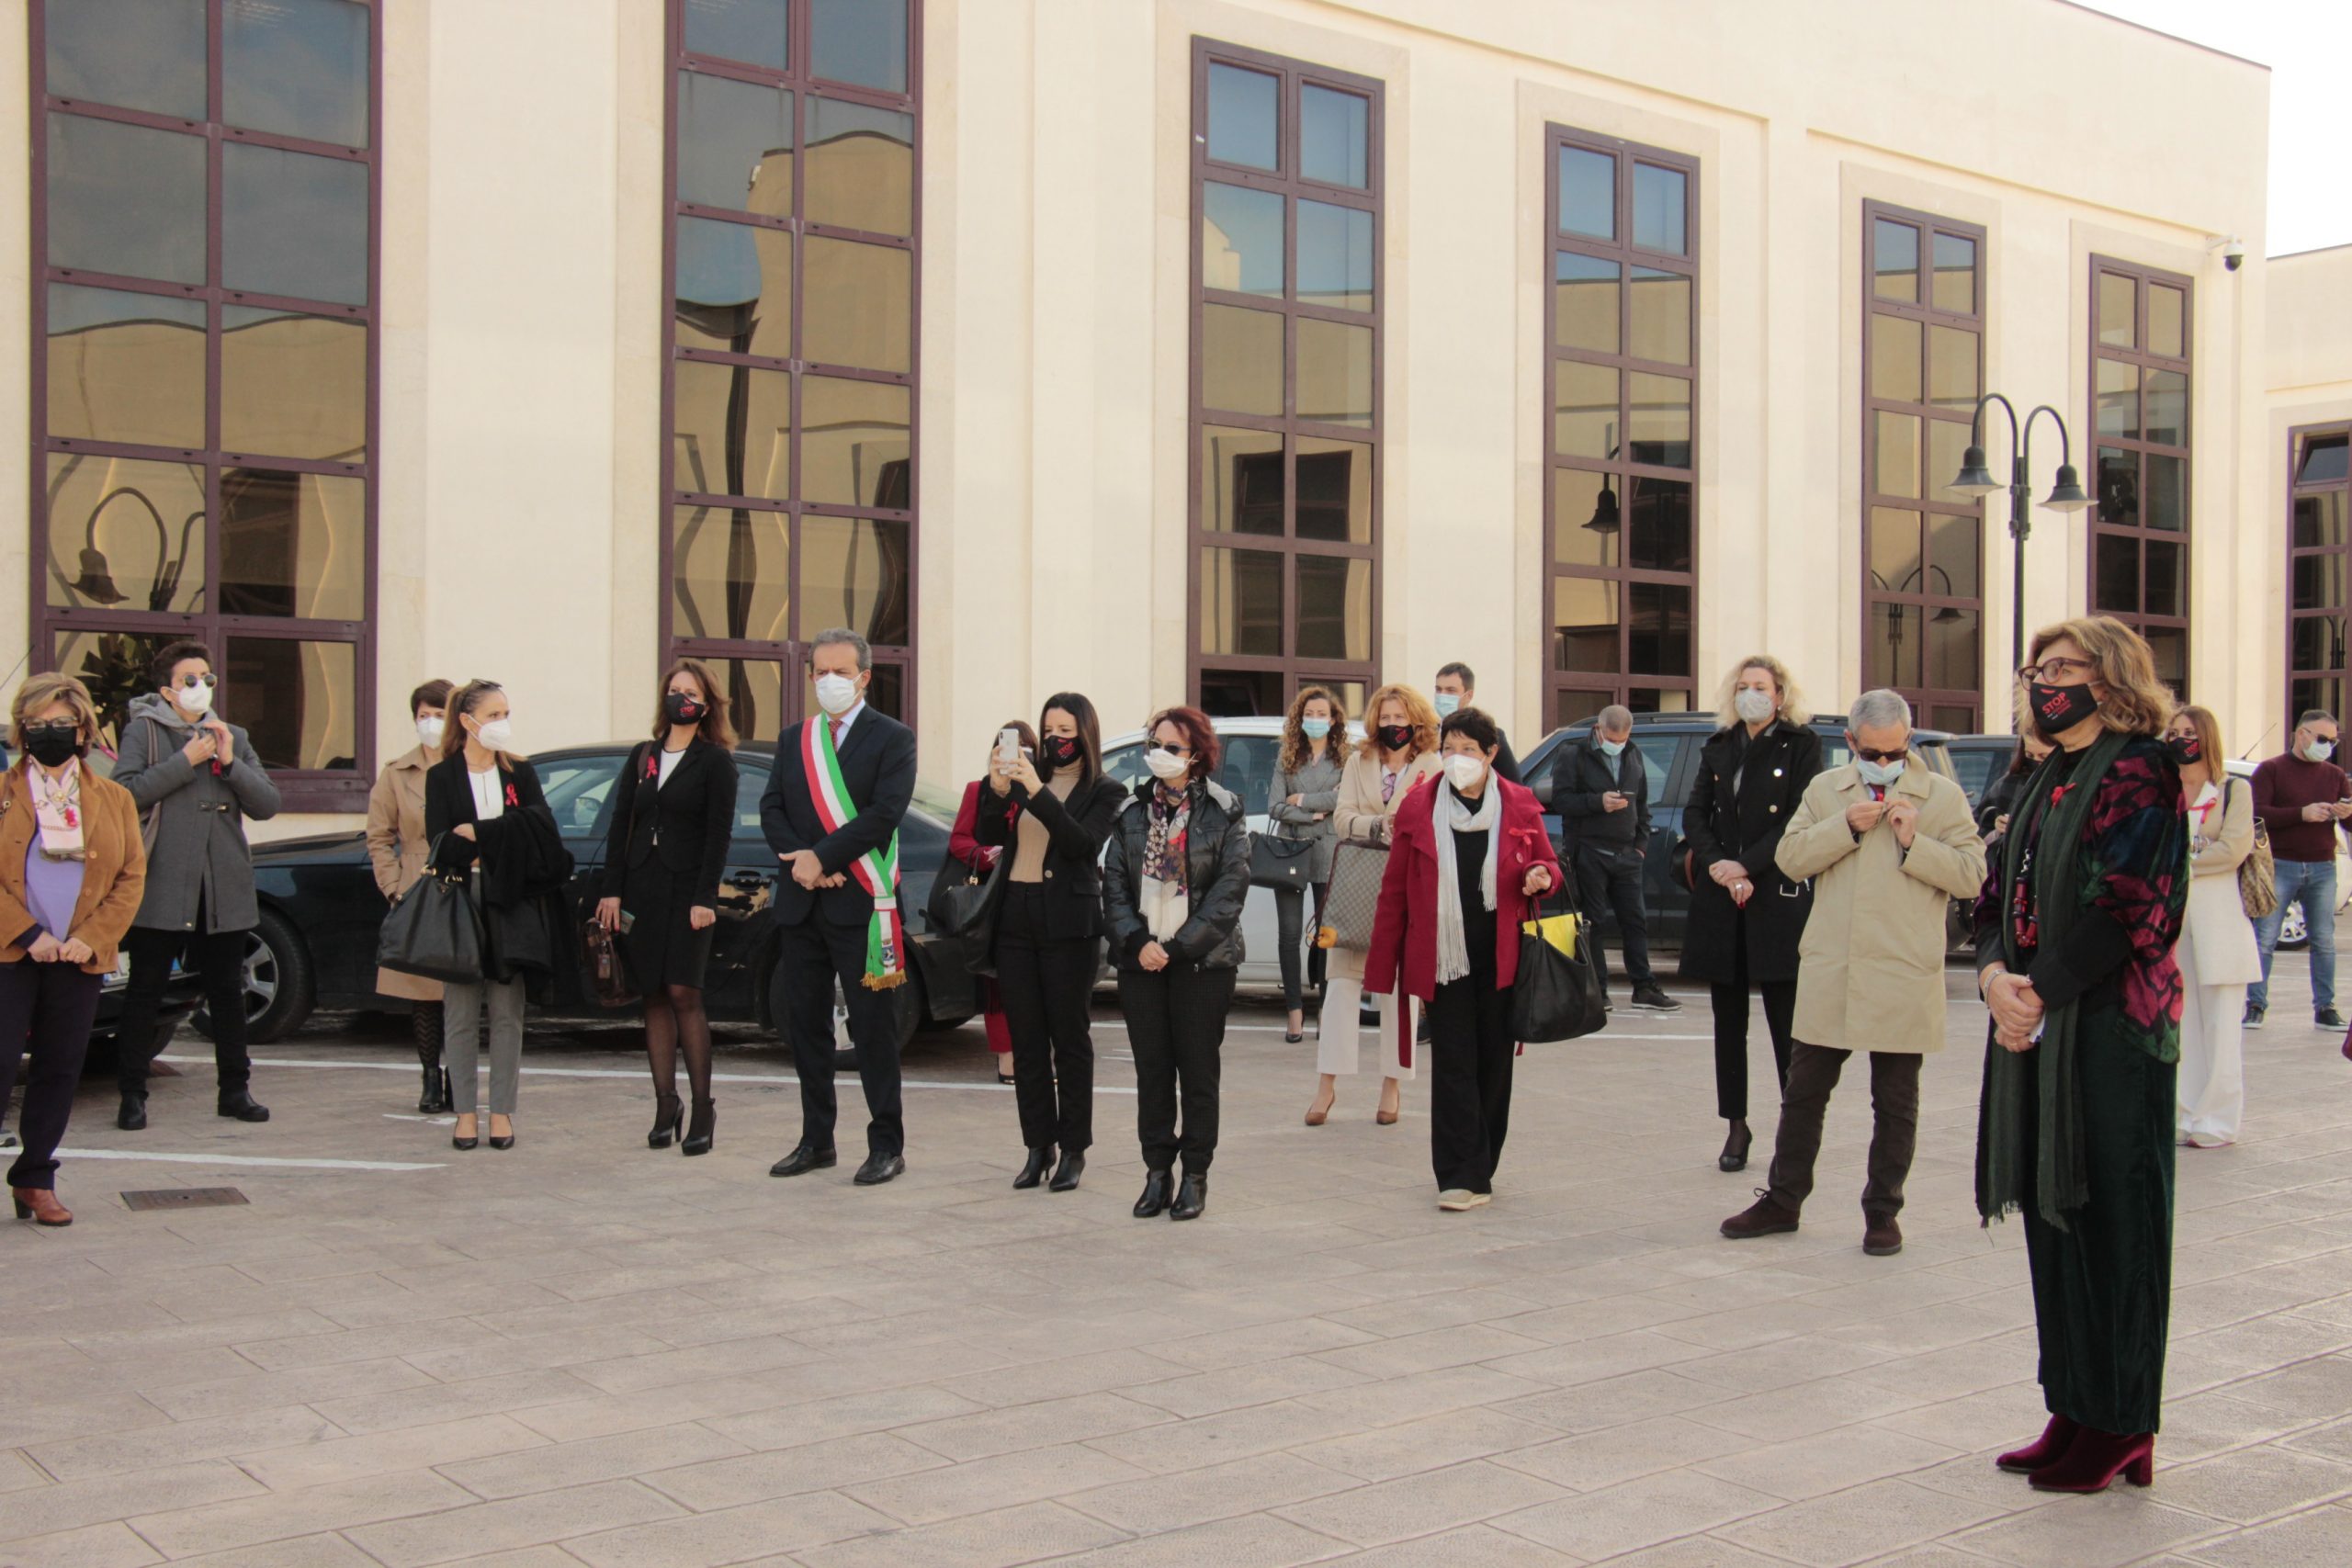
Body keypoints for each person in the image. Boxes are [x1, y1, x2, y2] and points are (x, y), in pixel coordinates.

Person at [1976, 616, 2188, 1495]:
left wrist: (2035, 992)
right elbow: (1995, 891)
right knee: (2053, 1221)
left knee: (2117, 1227)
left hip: (2112, 1030)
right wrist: (1994, 977)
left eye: (2062, 668)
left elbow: (2134, 906)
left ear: (2109, 679)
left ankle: (2122, 1420)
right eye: (2038, 668)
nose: (2043, 682)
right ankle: (2073, 1403)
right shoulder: (2042, 772)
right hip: (2036, 1023)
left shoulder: (2139, 770)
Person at [1719, 691, 1985, 1255]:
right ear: (1852, 745)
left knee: (1895, 1100)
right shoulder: (1825, 791)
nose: (1884, 763)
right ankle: (1784, 1199)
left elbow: (1972, 875)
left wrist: (1915, 840)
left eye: (1894, 752)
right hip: (1834, 965)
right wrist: (1845, 827)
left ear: (1908, 742)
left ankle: (1883, 1212)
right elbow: (1789, 858)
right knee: (1804, 1091)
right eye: (1873, 752)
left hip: (1902, 968)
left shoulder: (1940, 795)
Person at [1363, 707, 1560, 1211]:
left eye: (1468, 750)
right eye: (1449, 749)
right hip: (1443, 960)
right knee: (1452, 1063)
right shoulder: (1417, 809)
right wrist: (1381, 969)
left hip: (1502, 959)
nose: (1457, 759)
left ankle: (1483, 1164)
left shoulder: (1519, 805)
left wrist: (1540, 875)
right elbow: (1394, 894)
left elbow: (1549, 868)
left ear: (1491, 754)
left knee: (1494, 1064)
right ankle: (1457, 1174)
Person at [762, 629, 918, 1187]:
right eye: (819, 671)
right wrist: (803, 860)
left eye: (840, 672)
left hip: (860, 904)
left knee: (874, 1030)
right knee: (806, 1027)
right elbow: (772, 806)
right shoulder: (793, 739)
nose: (828, 681)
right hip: (802, 906)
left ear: (864, 677)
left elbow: (884, 813)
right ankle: (816, 1139)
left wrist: (824, 857)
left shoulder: (893, 739)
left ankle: (886, 1145)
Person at [111, 640, 282, 1131]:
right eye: (189, 680)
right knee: (146, 990)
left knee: (227, 992)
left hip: (223, 882)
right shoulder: (143, 731)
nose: (201, 687)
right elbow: (124, 795)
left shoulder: (234, 734)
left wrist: (229, 761)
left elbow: (268, 803)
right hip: (164, 880)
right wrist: (184, 760)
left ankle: (235, 1090)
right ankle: (132, 1094)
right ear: (167, 690)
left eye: (207, 678)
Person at [0, 675, 146, 1226]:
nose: (48, 734)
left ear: (83, 729)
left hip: (80, 955)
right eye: (36, 725)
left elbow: (131, 876)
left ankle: (35, 1178)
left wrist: (90, 938)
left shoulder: (114, 798)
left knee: (60, 1068)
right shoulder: (3, 791)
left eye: (60, 724)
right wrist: (29, 934)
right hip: (12, 952)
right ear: (22, 730)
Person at [1102, 705, 1250, 1221]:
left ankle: (1195, 1175)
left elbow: (1230, 891)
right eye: (1155, 744)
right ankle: (1157, 1172)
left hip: (1201, 963)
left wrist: (1179, 946)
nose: (1160, 755)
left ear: (1197, 756)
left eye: (1173, 748)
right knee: (1153, 1073)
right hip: (1141, 961)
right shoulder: (1131, 812)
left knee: (1198, 1072)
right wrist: (1138, 940)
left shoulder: (1224, 810)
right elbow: (1114, 886)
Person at [1680, 656, 1821, 1173]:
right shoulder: (1719, 746)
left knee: (1788, 1024)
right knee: (1728, 1022)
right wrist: (1720, 866)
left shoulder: (1802, 744)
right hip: (1724, 899)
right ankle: (1736, 1124)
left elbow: (1799, 817)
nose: (1751, 695)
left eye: (1760, 687)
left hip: (1774, 897)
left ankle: (1794, 1126)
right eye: (1743, 687)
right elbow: (1696, 813)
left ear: (1781, 694)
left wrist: (1748, 865)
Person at [978, 693, 1123, 1192]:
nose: (1057, 740)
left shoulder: (1105, 789)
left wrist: (1037, 790)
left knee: (1070, 1040)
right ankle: (1037, 1146)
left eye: (1066, 731)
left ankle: (1074, 1148)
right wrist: (997, 791)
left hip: (1068, 923)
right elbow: (985, 832)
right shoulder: (1023, 777)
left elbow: (1081, 844)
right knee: (1027, 1040)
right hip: (1014, 915)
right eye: (1050, 730)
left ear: (1085, 733)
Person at [596, 660, 741, 1157]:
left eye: (691, 692)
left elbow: (720, 834)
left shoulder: (715, 760)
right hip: (641, 886)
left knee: (684, 992)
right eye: (674, 690)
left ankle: (703, 1108)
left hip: (688, 891)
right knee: (653, 994)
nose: (681, 698)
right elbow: (620, 824)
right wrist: (611, 890)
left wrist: (706, 897)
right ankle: (665, 1104)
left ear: (706, 704)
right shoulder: (644, 756)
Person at [425, 681, 573, 1152]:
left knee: (508, 1011)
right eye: (493, 714)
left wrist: (482, 833)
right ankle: (465, 1113)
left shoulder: (520, 773)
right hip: (463, 897)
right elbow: (442, 843)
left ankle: (503, 1112)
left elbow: (544, 832)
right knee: (461, 1010)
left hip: (511, 900)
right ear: (467, 721)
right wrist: (502, 837)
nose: (502, 723)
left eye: (506, 713)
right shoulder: (443, 776)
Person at [1312, 683, 1444, 1127]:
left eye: (1400, 718)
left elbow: (1436, 820)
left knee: (1400, 993)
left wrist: (1403, 825)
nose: (1392, 725)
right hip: (1357, 882)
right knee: (1341, 989)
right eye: (1385, 718)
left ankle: (1392, 1086)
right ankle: (1326, 1086)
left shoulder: (1432, 763)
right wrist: (1378, 824)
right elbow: (1342, 816)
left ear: (1416, 721)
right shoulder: (1358, 759)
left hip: (1407, 887)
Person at [2165, 704, 2259, 1148]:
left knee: (2222, 1025)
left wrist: (2182, 859)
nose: (2180, 738)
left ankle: (2218, 1120)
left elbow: (2234, 847)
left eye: (2188, 731)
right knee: (2182, 1021)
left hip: (2219, 920)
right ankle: (2185, 1113)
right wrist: (2195, 850)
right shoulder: (2163, 789)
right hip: (2173, 919)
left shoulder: (2233, 790)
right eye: (2174, 731)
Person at [1552, 705, 1677, 1012]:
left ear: (1629, 734)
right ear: (1599, 728)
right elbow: (1561, 800)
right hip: (1590, 851)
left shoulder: (1633, 755)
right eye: (1611, 738)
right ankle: (1599, 989)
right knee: (1594, 921)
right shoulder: (1574, 754)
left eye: (1621, 739)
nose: (1616, 744)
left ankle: (1644, 987)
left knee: (1635, 921)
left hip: (1627, 854)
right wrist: (1598, 802)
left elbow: (1643, 804)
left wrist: (1640, 846)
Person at [368, 678, 455, 1113]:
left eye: (440, 714)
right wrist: (392, 886)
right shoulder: (397, 773)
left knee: (463, 985)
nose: (431, 723)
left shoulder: (473, 764)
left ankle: (459, 1074)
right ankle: (429, 1076)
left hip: (464, 881)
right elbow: (379, 836)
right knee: (423, 991)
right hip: (417, 885)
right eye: (424, 715)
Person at [2247, 709, 2349, 1032]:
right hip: (2281, 863)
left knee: (2323, 940)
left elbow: (2348, 822)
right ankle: (2255, 1005)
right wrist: (2301, 814)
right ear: (2301, 735)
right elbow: (2257, 813)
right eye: (2322, 739)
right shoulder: (2271, 770)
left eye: (2333, 741)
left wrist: (2345, 812)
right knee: (2264, 938)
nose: (2328, 746)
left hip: (2323, 865)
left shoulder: (2334, 775)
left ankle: (2325, 1007)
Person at [948, 721, 1034, 1085]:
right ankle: (1007, 1058)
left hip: (1035, 894)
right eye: (1007, 747)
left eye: (1024, 750)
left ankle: (1037, 1054)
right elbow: (959, 840)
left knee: (1038, 981)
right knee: (999, 982)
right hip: (993, 897)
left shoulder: (1040, 791)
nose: (1014, 755)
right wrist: (987, 854)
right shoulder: (977, 789)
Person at [1269, 686, 1344, 1043]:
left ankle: (1326, 1014)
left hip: (1330, 853)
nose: (1315, 720)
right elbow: (1274, 807)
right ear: (1300, 718)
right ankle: (1294, 1012)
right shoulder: (1287, 757)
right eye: (1309, 714)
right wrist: (1314, 813)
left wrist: (1303, 799)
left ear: (1333, 720)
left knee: (1327, 937)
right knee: (1289, 935)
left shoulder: (1345, 757)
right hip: (1291, 853)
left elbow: (1344, 797)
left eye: (1322, 714)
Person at [1431, 663, 1520, 784]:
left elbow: (1513, 786)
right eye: (1438, 690)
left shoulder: (1491, 736)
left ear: (1468, 695)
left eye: (1451, 690)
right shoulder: (1425, 735)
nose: (1442, 696)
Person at [1976, 731, 2055, 851]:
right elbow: (1973, 831)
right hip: (2012, 864)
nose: (2036, 762)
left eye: (2044, 757)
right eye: (2030, 755)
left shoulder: (2074, 784)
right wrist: (1997, 831)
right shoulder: (2009, 784)